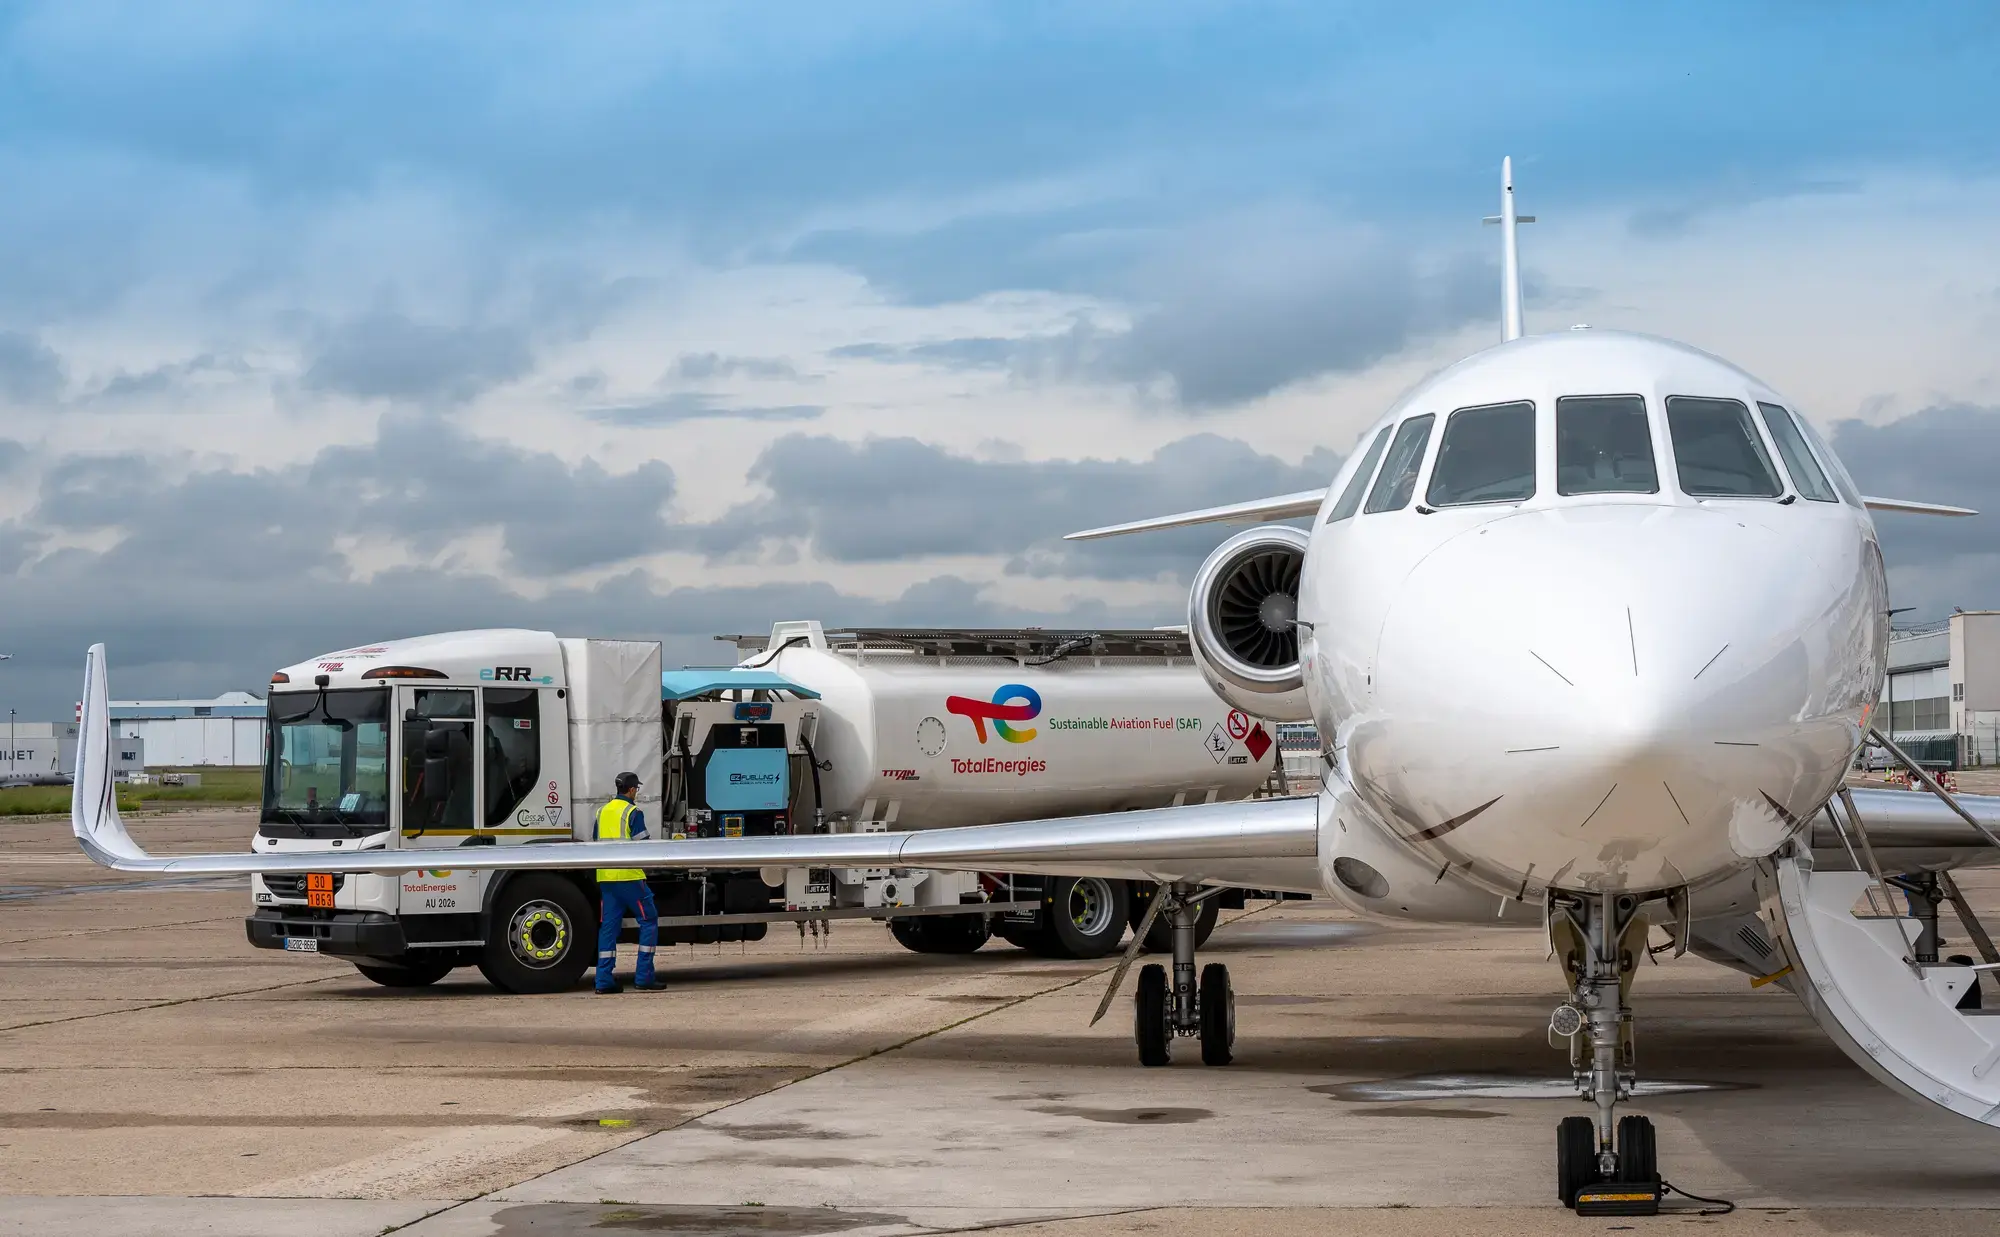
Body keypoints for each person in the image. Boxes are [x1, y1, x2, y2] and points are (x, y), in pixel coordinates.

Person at [594, 771, 664, 993]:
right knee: (649, 920)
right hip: (630, 878)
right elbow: (643, 845)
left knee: (608, 928)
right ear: (632, 790)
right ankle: (644, 977)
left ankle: (603, 981)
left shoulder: (602, 812)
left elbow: (596, 840)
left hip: (606, 878)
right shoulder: (633, 812)